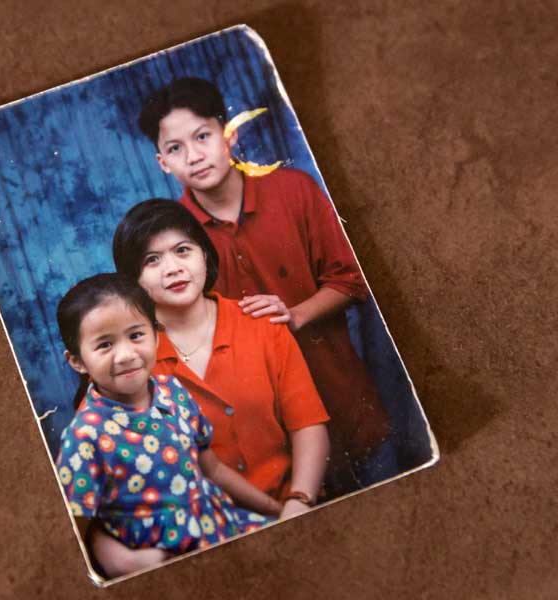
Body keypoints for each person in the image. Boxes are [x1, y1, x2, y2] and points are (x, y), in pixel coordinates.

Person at [137, 77, 395, 493]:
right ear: (163, 163)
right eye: (175, 148)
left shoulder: (295, 190)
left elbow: (352, 278)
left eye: (203, 136)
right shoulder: (170, 236)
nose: (194, 156)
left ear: (229, 135)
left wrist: (296, 315)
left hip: (345, 396)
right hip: (265, 446)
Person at [55, 273, 279, 578]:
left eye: (136, 335)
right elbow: (74, 532)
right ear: (78, 362)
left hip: (222, 528)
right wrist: (123, 563)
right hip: (167, 566)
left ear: (156, 336)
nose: (126, 355)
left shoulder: (172, 391)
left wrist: (276, 511)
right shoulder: (85, 437)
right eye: (105, 345)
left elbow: (211, 469)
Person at [113, 199, 330, 511]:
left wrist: (300, 500)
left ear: (204, 254)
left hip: (292, 503)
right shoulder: (130, 359)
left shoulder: (261, 325)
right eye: (152, 260)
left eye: (183, 250)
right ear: (134, 280)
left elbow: (308, 423)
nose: (173, 268)